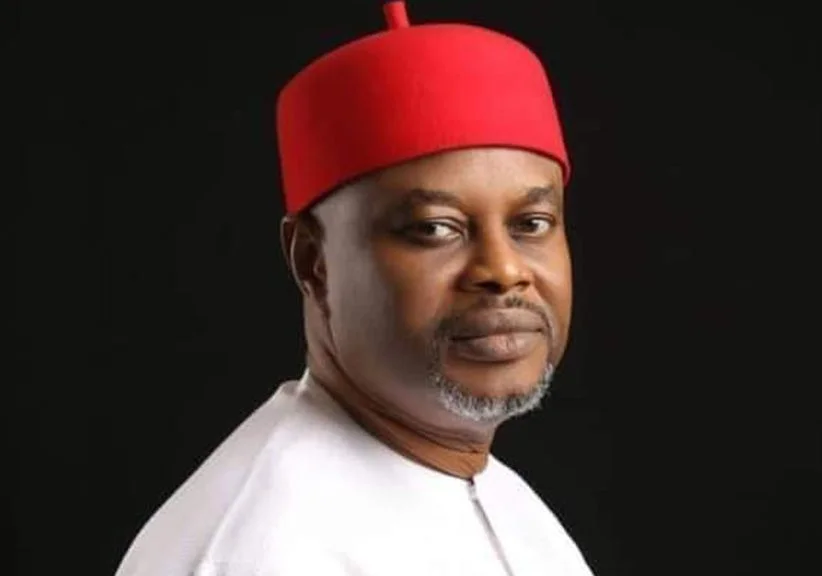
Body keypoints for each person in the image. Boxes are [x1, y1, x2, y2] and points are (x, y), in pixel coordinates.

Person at [114, 2, 594, 574]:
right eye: (435, 229)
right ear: (313, 262)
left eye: (531, 224)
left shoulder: (509, 504)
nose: (503, 269)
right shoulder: (268, 551)